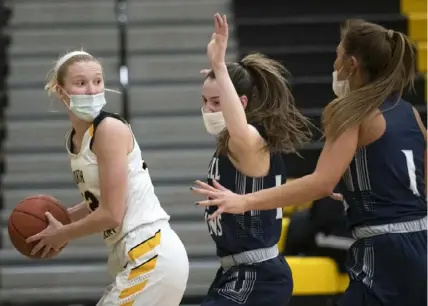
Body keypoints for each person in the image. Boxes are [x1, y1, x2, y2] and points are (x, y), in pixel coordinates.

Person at [193, 19, 427, 306]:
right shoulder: (408, 112)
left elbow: (320, 182)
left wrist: (244, 201)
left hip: (384, 247)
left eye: (337, 56)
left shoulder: (352, 112)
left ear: (351, 64)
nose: (335, 64)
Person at [26, 50, 189, 306]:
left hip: (150, 249)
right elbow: (102, 200)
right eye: (81, 83)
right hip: (138, 254)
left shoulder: (109, 130)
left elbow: (112, 213)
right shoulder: (76, 139)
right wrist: (63, 217)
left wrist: (63, 233)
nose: (92, 90)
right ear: (61, 92)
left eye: (98, 81)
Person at [192, 13, 313, 306]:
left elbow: (238, 127)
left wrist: (219, 66)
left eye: (217, 102)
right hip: (236, 271)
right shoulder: (231, 146)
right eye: (205, 101)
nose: (208, 109)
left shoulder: (249, 141)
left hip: (259, 274)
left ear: (241, 103)